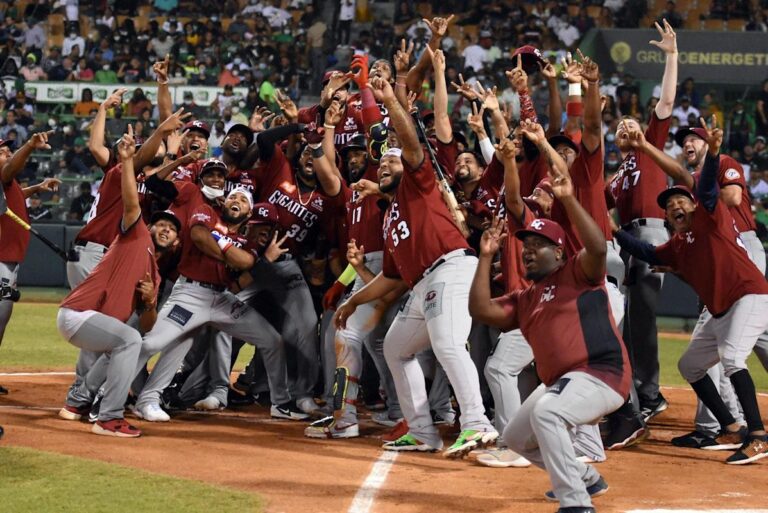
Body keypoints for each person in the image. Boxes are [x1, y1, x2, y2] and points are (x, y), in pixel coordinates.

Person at [334, 75, 498, 457]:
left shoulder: (419, 183)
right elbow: (391, 278)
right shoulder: (390, 218)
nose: (386, 166)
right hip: (422, 284)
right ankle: (423, 431)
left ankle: (477, 423)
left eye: (393, 161)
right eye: (382, 165)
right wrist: (355, 301)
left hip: (451, 269)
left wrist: (390, 100)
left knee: (447, 344)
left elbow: (410, 143)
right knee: (395, 348)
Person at [469, 139, 631, 511]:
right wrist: (485, 257)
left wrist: (570, 200)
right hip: (564, 382)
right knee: (515, 436)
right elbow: (480, 310)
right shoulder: (525, 298)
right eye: (526, 244)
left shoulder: (579, 271)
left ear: (558, 252)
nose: (527, 250)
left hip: (601, 373)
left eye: (538, 244)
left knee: (547, 413)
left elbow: (598, 249)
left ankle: (576, 504)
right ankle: (584, 477)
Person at [614, 120, 768, 465]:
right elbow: (648, 254)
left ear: (696, 204)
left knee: (732, 358)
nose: (675, 208)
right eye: (669, 207)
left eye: (681, 201)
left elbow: (710, 190)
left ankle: (757, 435)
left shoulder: (709, 215)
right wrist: (614, 231)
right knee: (690, 364)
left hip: (750, 295)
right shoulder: (679, 243)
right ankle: (730, 426)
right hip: (723, 308)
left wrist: (713, 153)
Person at [57, 126, 177, 437]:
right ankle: (108, 417)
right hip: (77, 313)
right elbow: (131, 203)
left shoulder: (155, 271)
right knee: (129, 341)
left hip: (88, 318)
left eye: (172, 228)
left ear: (176, 242)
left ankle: (77, 402)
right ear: (149, 225)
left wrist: (150, 300)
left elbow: (148, 323)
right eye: (160, 223)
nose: (164, 229)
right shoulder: (134, 234)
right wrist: (127, 161)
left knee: (127, 339)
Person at [605, 19, 677, 422]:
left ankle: (650, 395)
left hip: (651, 229)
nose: (626, 128)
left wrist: (672, 57)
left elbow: (664, 104)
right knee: (629, 317)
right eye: (619, 127)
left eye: (630, 123)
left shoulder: (650, 148)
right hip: (625, 241)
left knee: (643, 315)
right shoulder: (616, 176)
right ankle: (634, 392)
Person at [0, 132, 53, 396]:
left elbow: (15, 192)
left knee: (2, 320)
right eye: (2, 151)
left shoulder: (8, 183)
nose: (7, 153)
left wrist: (37, 187)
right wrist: (30, 146)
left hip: (8, 259)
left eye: (9, 150)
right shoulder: (4, 174)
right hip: (1, 260)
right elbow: (9, 170)